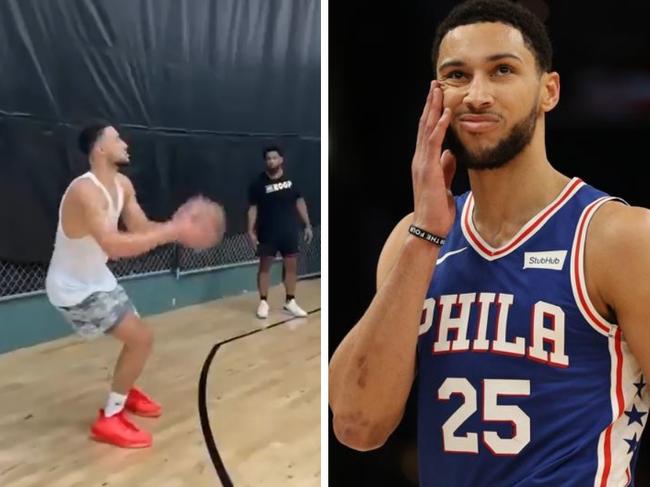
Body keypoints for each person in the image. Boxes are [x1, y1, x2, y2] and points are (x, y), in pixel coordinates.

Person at [329, 1, 650, 485]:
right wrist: (425, 236)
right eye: (457, 75)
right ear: (436, 95)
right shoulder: (412, 241)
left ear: (549, 90)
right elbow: (357, 427)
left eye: (502, 70)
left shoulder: (618, 236)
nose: (477, 94)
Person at [46, 122, 214, 448]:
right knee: (141, 340)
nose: (124, 142)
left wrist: (176, 228)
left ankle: (126, 385)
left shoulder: (122, 184)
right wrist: (171, 232)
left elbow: (139, 227)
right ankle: (110, 417)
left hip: (98, 278)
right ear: (100, 149)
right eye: (116, 138)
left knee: (138, 338)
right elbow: (114, 245)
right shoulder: (85, 191)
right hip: (74, 289)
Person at [247, 145, 313, 319]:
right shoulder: (258, 184)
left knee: (291, 267)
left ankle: (290, 301)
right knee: (264, 268)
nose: (271, 161)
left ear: (281, 160)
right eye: (268, 158)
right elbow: (253, 208)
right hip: (267, 232)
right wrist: (250, 231)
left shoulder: (291, 181)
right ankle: (263, 302)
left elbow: (299, 202)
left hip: (288, 232)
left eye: (274, 158)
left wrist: (307, 224)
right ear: (265, 161)